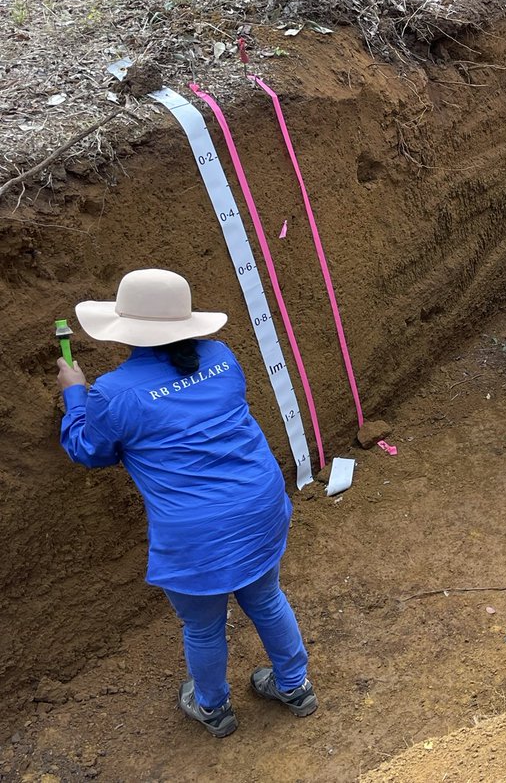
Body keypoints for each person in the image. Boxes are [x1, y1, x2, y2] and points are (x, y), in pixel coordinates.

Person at [56, 268, 317, 738]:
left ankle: (213, 708)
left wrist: (75, 393)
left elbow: (88, 451)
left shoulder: (114, 392)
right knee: (265, 597)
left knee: (202, 626)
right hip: (259, 503)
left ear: (125, 328)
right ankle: (295, 687)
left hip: (196, 531)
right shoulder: (221, 356)